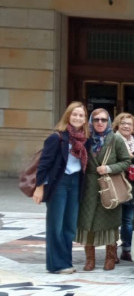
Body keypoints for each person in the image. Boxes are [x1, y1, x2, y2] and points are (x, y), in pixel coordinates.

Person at [33, 101, 88, 274]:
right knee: (55, 225)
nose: (77, 117)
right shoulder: (57, 138)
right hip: (59, 183)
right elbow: (44, 164)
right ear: (68, 116)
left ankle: (66, 261)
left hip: (75, 183)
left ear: (85, 119)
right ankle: (56, 264)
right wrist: (39, 187)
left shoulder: (84, 140)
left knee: (69, 226)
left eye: (81, 115)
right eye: (74, 114)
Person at [76, 108, 131, 272]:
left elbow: (126, 161)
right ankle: (90, 259)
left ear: (109, 122)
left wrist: (109, 168)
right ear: (91, 121)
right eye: (96, 119)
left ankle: (110, 257)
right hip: (88, 187)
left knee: (109, 222)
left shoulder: (115, 139)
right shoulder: (85, 139)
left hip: (109, 186)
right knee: (88, 222)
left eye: (104, 120)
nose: (100, 123)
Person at [113, 112, 134, 262]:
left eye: (129, 124)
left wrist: (131, 155)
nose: (126, 126)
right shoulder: (112, 140)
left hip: (133, 185)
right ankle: (111, 250)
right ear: (117, 126)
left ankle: (126, 249)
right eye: (123, 123)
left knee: (128, 220)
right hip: (115, 184)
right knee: (113, 221)